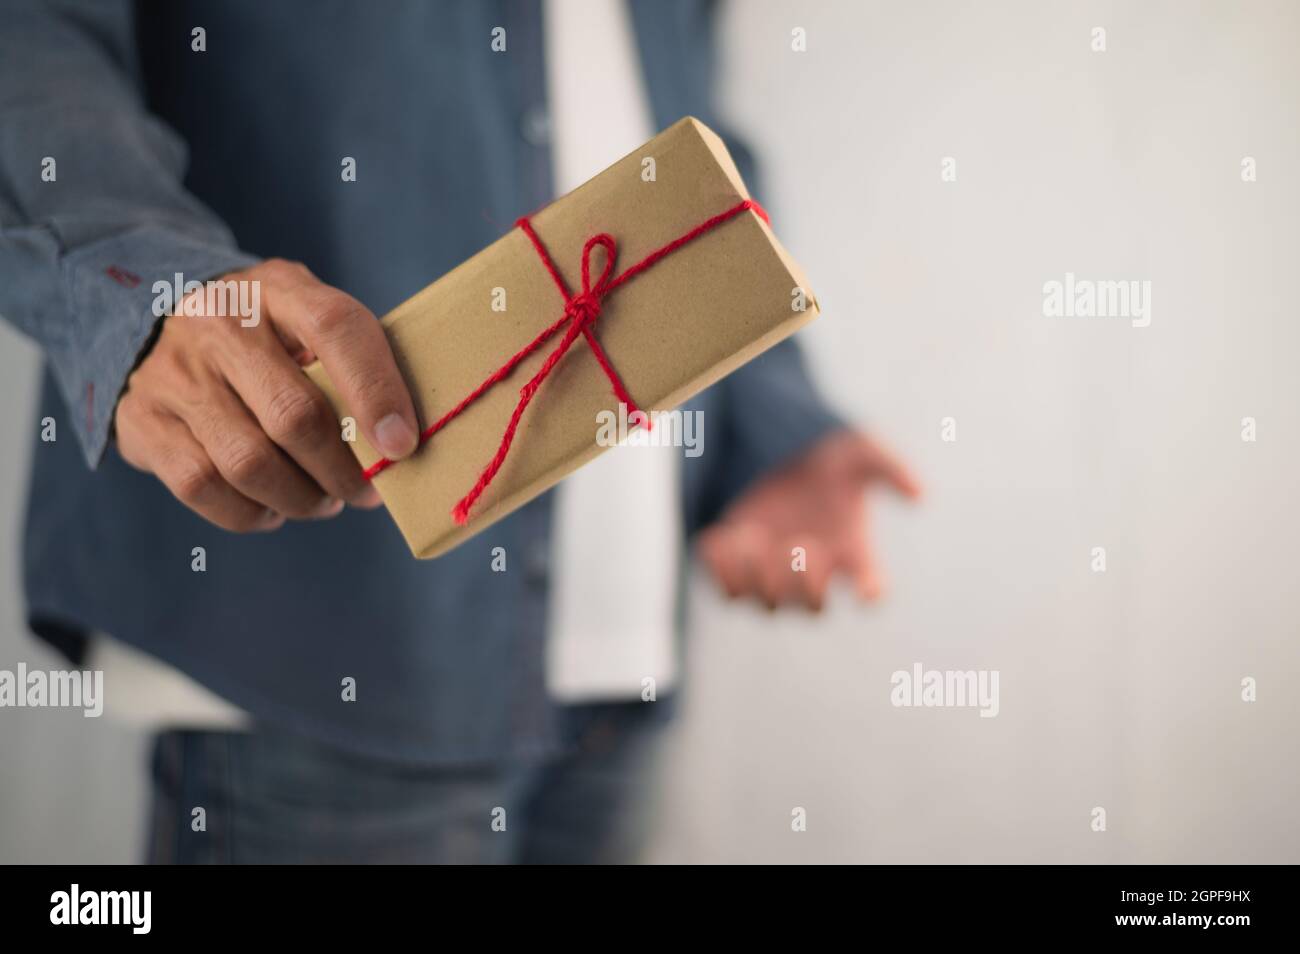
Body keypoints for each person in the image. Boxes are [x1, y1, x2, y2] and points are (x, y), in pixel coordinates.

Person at [0, 0, 920, 863]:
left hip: (622, 642)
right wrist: (140, 283)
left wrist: (771, 428)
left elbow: (687, 117)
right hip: (319, 644)